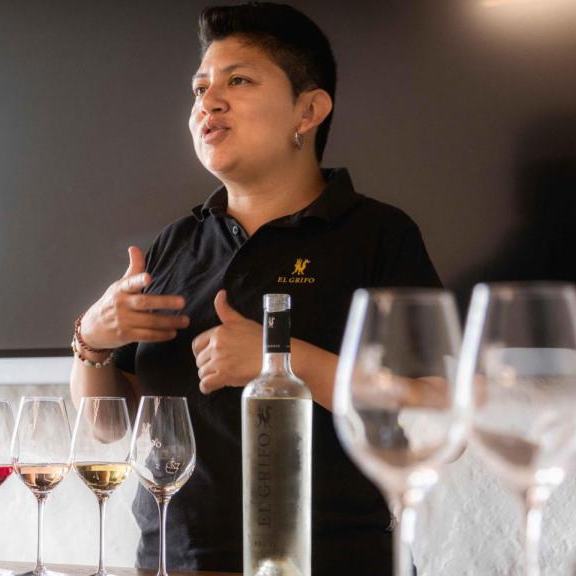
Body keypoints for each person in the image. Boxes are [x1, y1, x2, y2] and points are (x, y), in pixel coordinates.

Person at [69, 3, 441, 574]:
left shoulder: (377, 234)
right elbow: (109, 426)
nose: (207, 101)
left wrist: (280, 364)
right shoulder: (175, 244)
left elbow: (440, 414)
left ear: (309, 109)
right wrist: (92, 341)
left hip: (337, 561)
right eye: (199, 88)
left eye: (238, 80)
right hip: (173, 561)